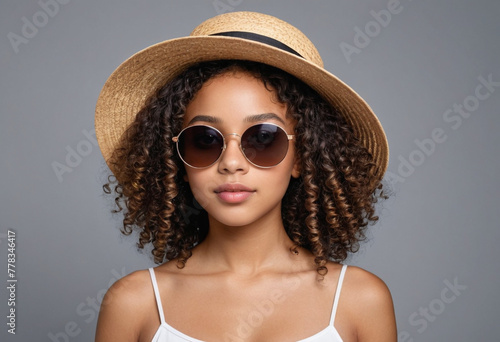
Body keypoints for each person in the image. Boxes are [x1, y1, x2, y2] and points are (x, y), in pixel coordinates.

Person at [94, 11, 397, 342]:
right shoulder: (133, 304)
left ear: (302, 157)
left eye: (263, 138)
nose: (231, 163)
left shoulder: (360, 301)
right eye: (205, 140)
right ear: (178, 160)